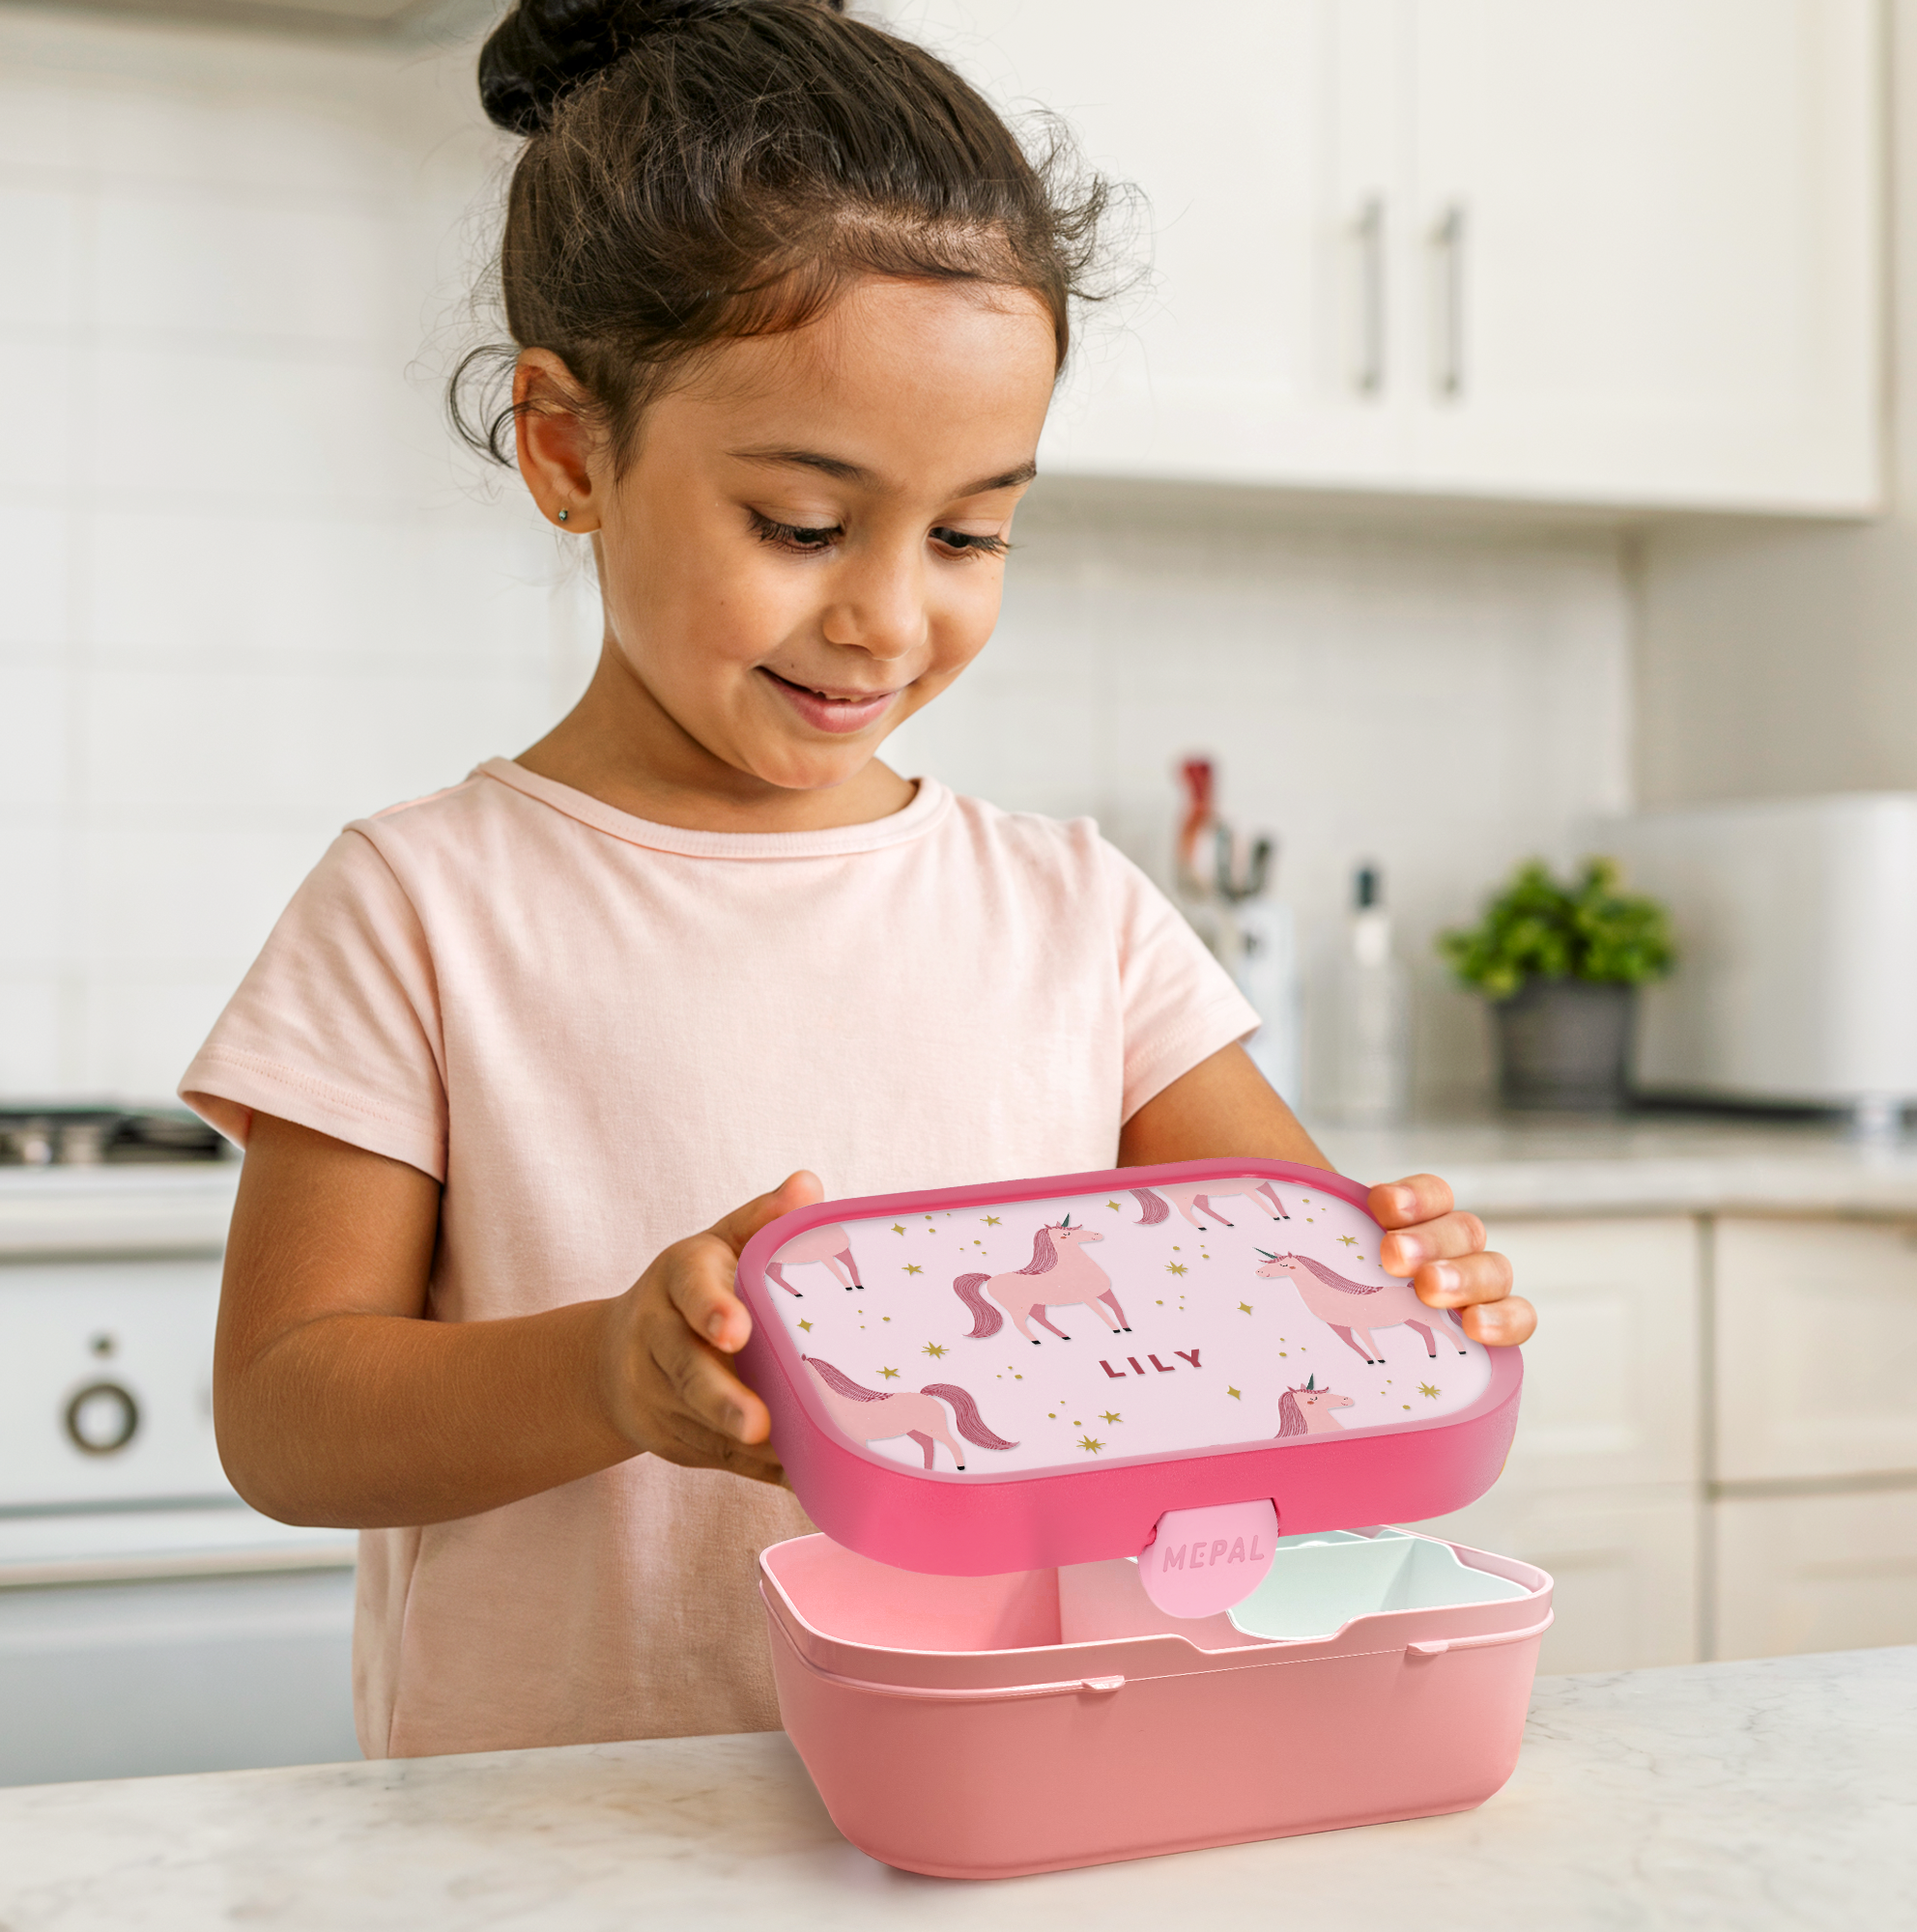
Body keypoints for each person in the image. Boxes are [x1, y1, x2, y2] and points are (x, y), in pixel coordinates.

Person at [182, 0, 1535, 1762]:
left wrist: (1407, 1306)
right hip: (560, 1846)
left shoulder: (1076, 914)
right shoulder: (425, 906)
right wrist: (607, 1373)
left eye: (972, 532)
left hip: (1016, 1789)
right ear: (569, 449)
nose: (890, 617)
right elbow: (286, 1417)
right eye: (804, 527)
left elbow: (1287, 1306)